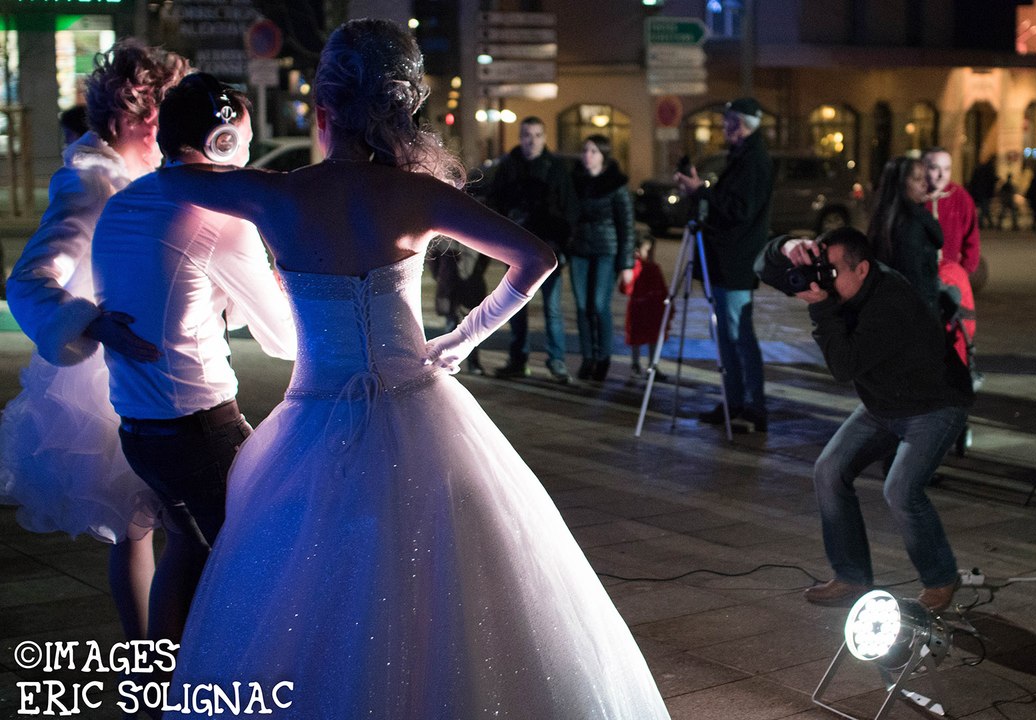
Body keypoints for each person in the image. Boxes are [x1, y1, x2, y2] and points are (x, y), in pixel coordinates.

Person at [155, 19, 669, 718]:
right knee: (454, 589)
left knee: (306, 594)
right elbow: (536, 259)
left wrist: (218, 141)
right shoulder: (416, 194)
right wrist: (462, 336)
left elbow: (172, 178)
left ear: (322, 107)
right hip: (422, 406)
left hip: (315, 421)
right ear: (399, 111)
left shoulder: (274, 195)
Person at [92, 73, 297, 653]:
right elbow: (282, 339)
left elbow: (177, 296)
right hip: (201, 428)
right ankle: (231, 691)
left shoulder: (124, 205)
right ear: (223, 141)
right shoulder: (220, 219)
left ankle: (154, 697)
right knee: (263, 562)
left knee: (189, 549)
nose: (249, 150)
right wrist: (288, 286)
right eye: (245, 137)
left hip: (140, 429)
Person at [0, 39, 186, 646]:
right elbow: (29, 279)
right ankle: (151, 662)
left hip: (153, 374)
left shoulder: (146, 175)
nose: (164, 123)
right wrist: (92, 323)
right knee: (138, 528)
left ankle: (155, 658)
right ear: (131, 115)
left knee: (155, 527)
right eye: (158, 109)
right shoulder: (90, 182)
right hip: (105, 385)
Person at [757, 228, 973, 610]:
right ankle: (851, 576)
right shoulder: (840, 285)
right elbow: (763, 268)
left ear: (862, 269)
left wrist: (821, 306)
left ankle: (941, 579)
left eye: (833, 269)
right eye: (822, 266)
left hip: (934, 405)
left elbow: (844, 365)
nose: (824, 277)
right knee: (829, 471)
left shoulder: (891, 301)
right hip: (884, 404)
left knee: (901, 489)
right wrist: (788, 247)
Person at [674, 97, 773, 433]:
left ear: (742, 124)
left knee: (738, 335)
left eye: (728, 121)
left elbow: (738, 209)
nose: (723, 127)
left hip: (736, 263)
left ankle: (753, 406)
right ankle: (734, 402)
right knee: (726, 336)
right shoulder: (743, 157)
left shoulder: (754, 161)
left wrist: (701, 190)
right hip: (724, 260)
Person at [486, 115, 576, 383]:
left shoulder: (556, 169)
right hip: (516, 249)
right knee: (515, 306)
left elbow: (569, 209)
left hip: (548, 250)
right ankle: (518, 360)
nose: (532, 140)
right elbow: (495, 203)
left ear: (545, 138)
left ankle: (557, 361)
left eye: (537, 135)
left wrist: (562, 245)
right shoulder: (509, 166)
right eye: (527, 135)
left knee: (552, 308)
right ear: (520, 137)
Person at [568, 133, 635, 381]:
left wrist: (626, 263)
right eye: (585, 150)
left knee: (598, 304)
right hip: (579, 249)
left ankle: (604, 357)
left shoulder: (616, 184)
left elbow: (626, 224)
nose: (588, 155)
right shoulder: (575, 181)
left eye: (594, 151)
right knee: (582, 306)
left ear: (604, 156)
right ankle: (588, 357)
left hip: (606, 249)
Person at [867, 155, 943, 318]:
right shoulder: (911, 226)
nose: (924, 184)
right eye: (917, 179)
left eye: (924, 178)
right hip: (916, 316)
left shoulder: (884, 220)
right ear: (900, 184)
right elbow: (914, 280)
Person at [426, 238, 489, 375]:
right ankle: (448, 362)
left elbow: (484, 258)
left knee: (472, 328)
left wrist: (474, 273)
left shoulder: (473, 236)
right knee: (451, 325)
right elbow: (432, 259)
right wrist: (441, 276)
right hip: (449, 286)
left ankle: (473, 363)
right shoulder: (441, 238)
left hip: (470, 286)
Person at [922, 147, 980, 275]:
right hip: (918, 276)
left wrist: (962, 272)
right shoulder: (913, 196)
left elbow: (972, 240)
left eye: (947, 169)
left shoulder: (961, 197)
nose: (942, 175)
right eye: (935, 168)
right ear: (923, 168)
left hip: (951, 275)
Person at [622, 235, 669, 381]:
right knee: (637, 337)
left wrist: (666, 303)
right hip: (639, 309)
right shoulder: (635, 267)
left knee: (653, 337)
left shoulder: (654, 268)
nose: (650, 254)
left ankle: (652, 365)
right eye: (647, 250)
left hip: (653, 310)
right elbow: (626, 288)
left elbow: (662, 289)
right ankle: (636, 364)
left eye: (651, 251)